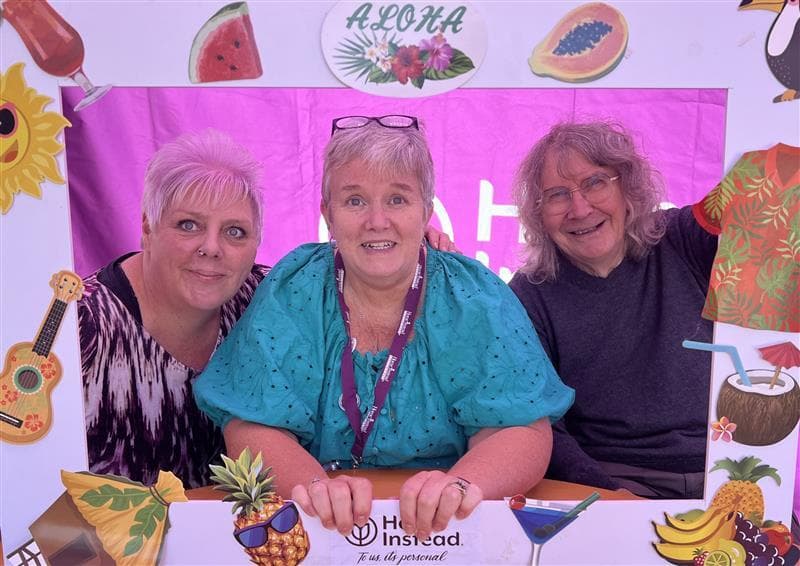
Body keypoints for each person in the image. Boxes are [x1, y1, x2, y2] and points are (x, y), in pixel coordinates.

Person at [195, 114, 574, 538]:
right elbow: (251, 426)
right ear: (328, 213)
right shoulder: (293, 286)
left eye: (397, 199)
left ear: (426, 210)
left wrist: (461, 487)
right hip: (320, 528)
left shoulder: (474, 296)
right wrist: (315, 489)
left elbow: (521, 428)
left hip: (448, 531)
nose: (377, 221)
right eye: (355, 200)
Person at [508, 121, 719, 499]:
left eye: (595, 183)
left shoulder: (685, 238)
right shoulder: (528, 295)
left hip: (729, 469)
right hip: (612, 482)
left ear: (628, 187)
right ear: (538, 215)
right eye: (556, 195)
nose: (579, 208)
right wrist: (612, 497)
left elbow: (761, 206)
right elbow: (539, 425)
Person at [79, 129, 269, 489]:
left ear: (257, 242)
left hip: (246, 542)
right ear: (147, 226)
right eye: (188, 225)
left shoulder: (269, 301)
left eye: (235, 232)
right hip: (101, 545)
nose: (211, 248)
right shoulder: (81, 326)